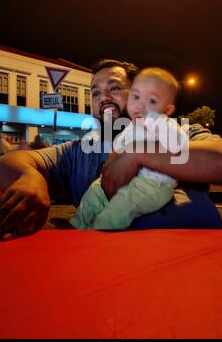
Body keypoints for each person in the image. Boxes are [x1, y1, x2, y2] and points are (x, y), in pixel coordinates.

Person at [0, 59, 222, 242]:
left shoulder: (178, 132)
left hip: (196, 264)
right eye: (95, 93)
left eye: (115, 88)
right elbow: (6, 162)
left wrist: (139, 154)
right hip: (111, 282)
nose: (103, 98)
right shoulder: (78, 152)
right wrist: (30, 178)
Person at [70, 67, 187, 230]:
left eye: (151, 101)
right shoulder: (131, 127)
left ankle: (99, 231)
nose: (140, 105)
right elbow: (117, 148)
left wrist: (141, 154)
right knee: (94, 192)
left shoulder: (166, 126)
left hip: (153, 184)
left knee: (121, 206)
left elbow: (180, 150)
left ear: (167, 110)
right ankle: (78, 224)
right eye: (136, 97)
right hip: (127, 180)